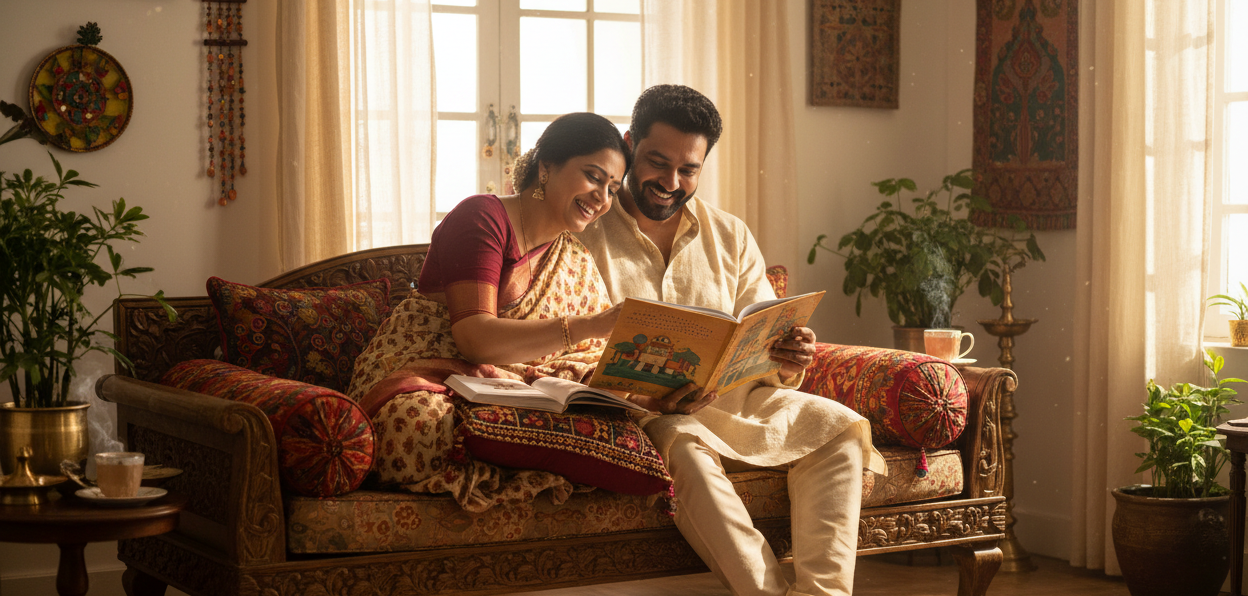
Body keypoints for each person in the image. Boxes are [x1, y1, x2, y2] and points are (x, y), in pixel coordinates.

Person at [575, 85, 887, 596]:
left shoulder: (730, 234)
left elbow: (761, 328)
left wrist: (790, 353)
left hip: (737, 401)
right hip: (645, 413)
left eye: (689, 170)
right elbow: (570, 352)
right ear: (629, 144)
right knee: (684, 446)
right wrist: (641, 395)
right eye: (657, 162)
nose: (671, 182)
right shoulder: (585, 228)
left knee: (839, 428)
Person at [346, 112, 629, 512]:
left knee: (611, 411)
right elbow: (474, 339)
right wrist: (591, 325)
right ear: (546, 167)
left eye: (613, 188)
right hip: (425, 370)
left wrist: (656, 394)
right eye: (594, 177)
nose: (603, 198)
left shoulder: (574, 258)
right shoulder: (482, 217)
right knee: (417, 426)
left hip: (515, 387)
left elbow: (592, 355)